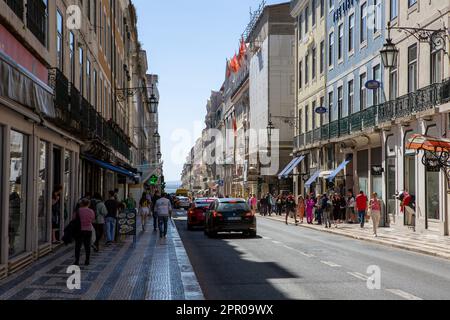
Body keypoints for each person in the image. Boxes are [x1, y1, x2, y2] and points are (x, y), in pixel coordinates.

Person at [73, 198, 95, 266]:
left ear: (81, 203)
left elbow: (73, 218)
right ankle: (87, 260)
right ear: (88, 204)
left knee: (78, 246)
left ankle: (77, 261)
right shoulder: (91, 211)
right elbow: (93, 219)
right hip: (88, 230)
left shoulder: (78, 210)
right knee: (87, 246)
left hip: (79, 230)